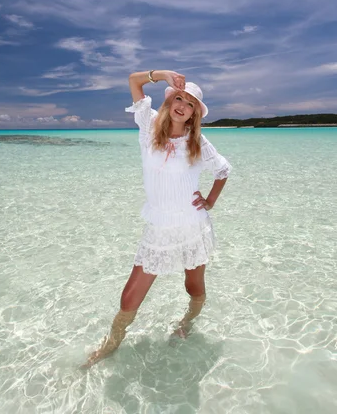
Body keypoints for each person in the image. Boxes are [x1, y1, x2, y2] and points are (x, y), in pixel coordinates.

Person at [82, 69, 232, 368]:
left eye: (189, 104)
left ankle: (187, 322)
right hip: (159, 228)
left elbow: (223, 170)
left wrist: (210, 201)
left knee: (193, 286)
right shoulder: (148, 125)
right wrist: (162, 75)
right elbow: (133, 81)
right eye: (178, 98)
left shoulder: (198, 141)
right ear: (169, 102)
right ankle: (110, 345)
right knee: (129, 297)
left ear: (193, 114)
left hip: (192, 225)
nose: (182, 105)